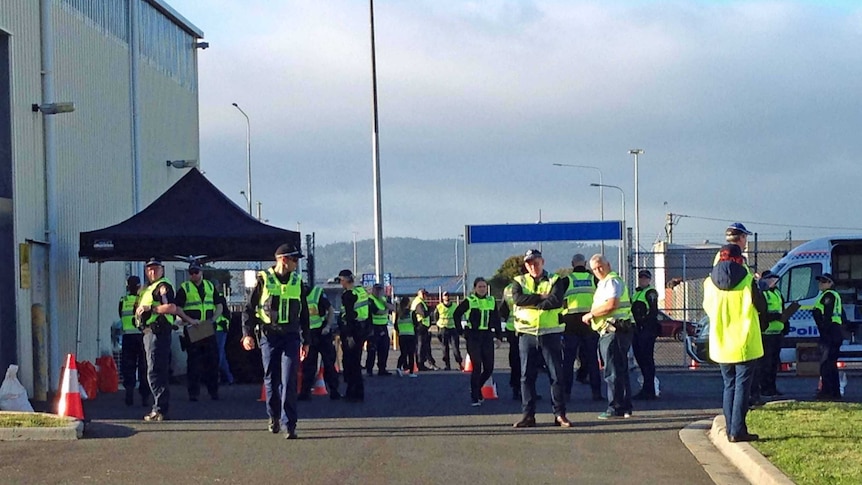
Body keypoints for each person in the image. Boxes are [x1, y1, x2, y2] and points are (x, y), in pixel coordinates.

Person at [241, 243, 309, 439]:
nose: (297, 264)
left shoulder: (297, 282)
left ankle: (290, 424)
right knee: (272, 378)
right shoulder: (264, 280)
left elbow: (304, 312)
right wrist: (246, 334)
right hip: (269, 335)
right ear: (283, 260)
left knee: (289, 379)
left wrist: (306, 341)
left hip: (291, 336)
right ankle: (274, 416)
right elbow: (248, 308)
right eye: (294, 260)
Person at [702, 244, 765, 442]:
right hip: (745, 340)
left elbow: (708, 308)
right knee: (742, 387)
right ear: (740, 258)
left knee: (728, 385)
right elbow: (761, 305)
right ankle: (737, 431)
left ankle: (730, 427)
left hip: (721, 342)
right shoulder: (747, 280)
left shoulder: (709, 282)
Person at [511, 249, 571, 428]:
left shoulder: (555, 280)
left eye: (536, 262)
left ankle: (560, 415)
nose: (533, 266)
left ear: (542, 262)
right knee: (526, 377)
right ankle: (528, 415)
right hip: (527, 334)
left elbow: (556, 301)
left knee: (556, 375)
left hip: (550, 333)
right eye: (529, 263)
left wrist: (534, 303)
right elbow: (518, 299)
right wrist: (540, 298)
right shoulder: (518, 281)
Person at [136, 258, 197, 421]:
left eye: (155, 269)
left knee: (155, 371)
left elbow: (171, 307)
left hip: (158, 332)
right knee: (156, 370)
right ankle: (159, 407)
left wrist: (150, 308)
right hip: (150, 333)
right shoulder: (149, 288)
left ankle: (160, 408)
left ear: (162, 270)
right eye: (149, 269)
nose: (152, 272)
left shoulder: (163, 286)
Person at [583, 254, 635, 420]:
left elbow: (612, 304)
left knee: (612, 371)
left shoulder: (612, 281)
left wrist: (591, 314)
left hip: (614, 330)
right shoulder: (605, 282)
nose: (598, 270)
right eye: (594, 269)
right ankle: (625, 406)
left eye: (600, 266)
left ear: (608, 264)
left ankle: (615, 407)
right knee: (620, 369)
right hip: (614, 331)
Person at [175, 261, 221, 402]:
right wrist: (189, 320)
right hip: (193, 328)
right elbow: (177, 308)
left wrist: (213, 319)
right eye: (191, 273)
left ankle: (213, 391)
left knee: (212, 361)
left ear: (201, 272)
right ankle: (193, 393)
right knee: (193, 362)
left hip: (207, 327)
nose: (194, 275)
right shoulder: (185, 287)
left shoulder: (210, 286)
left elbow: (219, 305)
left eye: (196, 272)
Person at [559, 254, 602, 403]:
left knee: (568, 361)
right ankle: (596, 393)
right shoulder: (593, 280)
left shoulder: (566, 280)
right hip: (590, 322)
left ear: (572, 264)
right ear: (585, 264)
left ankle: (565, 393)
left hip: (570, 323)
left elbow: (557, 300)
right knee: (592, 359)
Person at [453, 277, 503, 406]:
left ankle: (476, 387)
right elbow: (456, 314)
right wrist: (461, 331)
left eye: (484, 287)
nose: (482, 289)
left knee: (489, 368)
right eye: (480, 287)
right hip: (473, 335)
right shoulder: (470, 301)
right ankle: (475, 396)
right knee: (477, 365)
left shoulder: (491, 300)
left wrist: (499, 336)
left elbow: (496, 319)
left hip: (487, 335)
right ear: (475, 288)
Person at [299, 284, 341, 400]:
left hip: (322, 332)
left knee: (328, 363)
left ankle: (334, 390)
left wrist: (327, 326)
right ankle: (305, 392)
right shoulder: (296, 297)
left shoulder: (317, 293)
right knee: (308, 365)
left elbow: (330, 310)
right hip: (308, 334)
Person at [118, 275, 150, 407]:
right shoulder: (143, 300)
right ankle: (145, 397)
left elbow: (120, 314)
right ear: (138, 286)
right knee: (144, 367)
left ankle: (129, 393)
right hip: (141, 337)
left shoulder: (123, 300)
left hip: (128, 338)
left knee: (128, 367)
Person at [337, 269, 369, 402]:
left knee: (350, 363)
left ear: (345, 280)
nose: (340, 283)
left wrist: (348, 335)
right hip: (361, 329)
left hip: (352, 331)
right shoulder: (361, 292)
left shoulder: (348, 295)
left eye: (341, 280)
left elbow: (349, 316)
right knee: (356, 362)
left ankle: (352, 392)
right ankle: (358, 391)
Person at [812, 273, 844, 401]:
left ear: (831, 283)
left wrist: (824, 330)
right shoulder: (827, 295)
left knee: (826, 364)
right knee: (830, 363)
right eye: (820, 281)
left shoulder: (829, 296)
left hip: (830, 332)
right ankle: (834, 392)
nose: (821, 283)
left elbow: (827, 315)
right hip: (833, 332)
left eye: (824, 281)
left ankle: (828, 392)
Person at [631, 269, 660, 401]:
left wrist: (645, 324)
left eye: (645, 278)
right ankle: (646, 389)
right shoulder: (637, 293)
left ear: (649, 280)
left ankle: (650, 390)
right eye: (641, 278)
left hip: (646, 330)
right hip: (637, 330)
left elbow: (653, 311)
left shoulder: (650, 292)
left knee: (647, 360)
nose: (643, 280)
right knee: (641, 359)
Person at [757, 270, 785, 398]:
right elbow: (762, 313)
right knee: (765, 364)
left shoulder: (778, 293)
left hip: (777, 332)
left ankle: (772, 388)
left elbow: (782, 309)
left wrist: (785, 324)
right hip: (766, 333)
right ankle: (765, 388)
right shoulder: (763, 294)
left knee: (774, 364)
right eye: (770, 279)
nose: (773, 281)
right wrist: (774, 317)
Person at [497, 282, 522, 400]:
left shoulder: (507, 288)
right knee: (528, 361)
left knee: (515, 359)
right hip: (526, 328)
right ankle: (525, 390)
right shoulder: (528, 285)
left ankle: (515, 388)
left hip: (511, 327)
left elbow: (502, 309)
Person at [366, 283, 394, 376]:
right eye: (376, 290)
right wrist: (386, 309)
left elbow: (393, 308)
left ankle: (382, 369)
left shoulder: (384, 299)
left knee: (384, 349)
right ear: (373, 290)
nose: (378, 292)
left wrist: (385, 304)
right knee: (372, 349)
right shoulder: (370, 299)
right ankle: (369, 369)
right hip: (373, 327)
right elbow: (377, 312)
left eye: (380, 290)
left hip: (383, 327)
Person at [434, 292, 463, 371]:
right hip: (443, 328)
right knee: (444, 348)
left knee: (455, 348)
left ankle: (460, 363)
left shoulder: (454, 306)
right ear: (443, 297)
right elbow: (436, 317)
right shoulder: (439, 307)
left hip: (453, 328)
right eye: (445, 295)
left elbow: (458, 316)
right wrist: (438, 327)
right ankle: (447, 365)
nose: (447, 297)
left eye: (448, 295)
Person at [412, 288, 438, 370]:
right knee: (420, 346)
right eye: (424, 294)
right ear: (420, 294)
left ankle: (425, 363)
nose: (425, 296)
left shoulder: (421, 301)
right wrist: (430, 310)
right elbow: (423, 314)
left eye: (426, 294)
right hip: (420, 327)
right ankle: (420, 364)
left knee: (424, 346)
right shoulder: (418, 302)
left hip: (423, 327)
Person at [213, 293, 234, 385]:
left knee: (218, 355)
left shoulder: (217, 298)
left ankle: (217, 377)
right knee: (221, 355)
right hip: (217, 328)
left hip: (218, 329)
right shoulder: (219, 298)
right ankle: (229, 378)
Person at [395, 298, 418, 378]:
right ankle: (411, 372)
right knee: (411, 354)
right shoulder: (412, 313)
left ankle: (398, 367)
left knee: (403, 353)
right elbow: (416, 324)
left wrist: (400, 331)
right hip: (410, 335)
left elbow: (395, 326)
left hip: (402, 335)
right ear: (408, 304)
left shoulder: (399, 314)